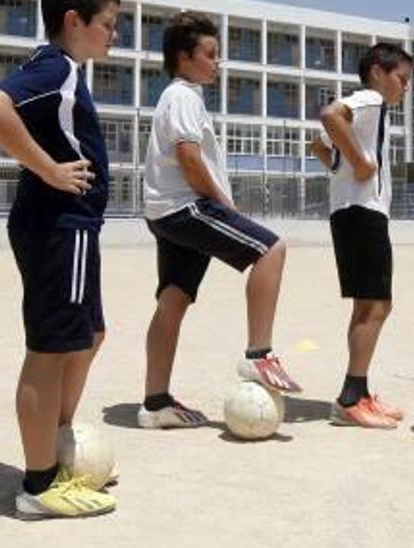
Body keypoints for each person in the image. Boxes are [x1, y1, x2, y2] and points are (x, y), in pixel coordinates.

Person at [0, 0, 119, 519]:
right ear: (75, 20)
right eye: (108, 24)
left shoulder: (64, 70)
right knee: (51, 348)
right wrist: (51, 170)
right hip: (59, 225)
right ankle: (39, 484)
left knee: (90, 335)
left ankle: (54, 448)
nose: (114, 35)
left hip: (72, 227)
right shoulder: (56, 67)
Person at [136, 12, 302, 430]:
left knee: (173, 300)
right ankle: (258, 355)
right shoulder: (182, 97)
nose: (217, 62)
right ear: (183, 56)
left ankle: (155, 404)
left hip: (167, 211)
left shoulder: (182, 96)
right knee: (271, 249)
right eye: (210, 54)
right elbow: (189, 158)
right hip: (185, 206)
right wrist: (224, 207)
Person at [311, 44, 414, 429]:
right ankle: (351, 398)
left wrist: (343, 163)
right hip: (362, 213)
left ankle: (360, 391)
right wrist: (358, 163)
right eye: (401, 79)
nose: (405, 88)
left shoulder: (369, 112)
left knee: (369, 305)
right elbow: (329, 115)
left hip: (354, 212)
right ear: (377, 72)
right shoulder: (370, 101)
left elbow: (319, 143)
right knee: (376, 306)